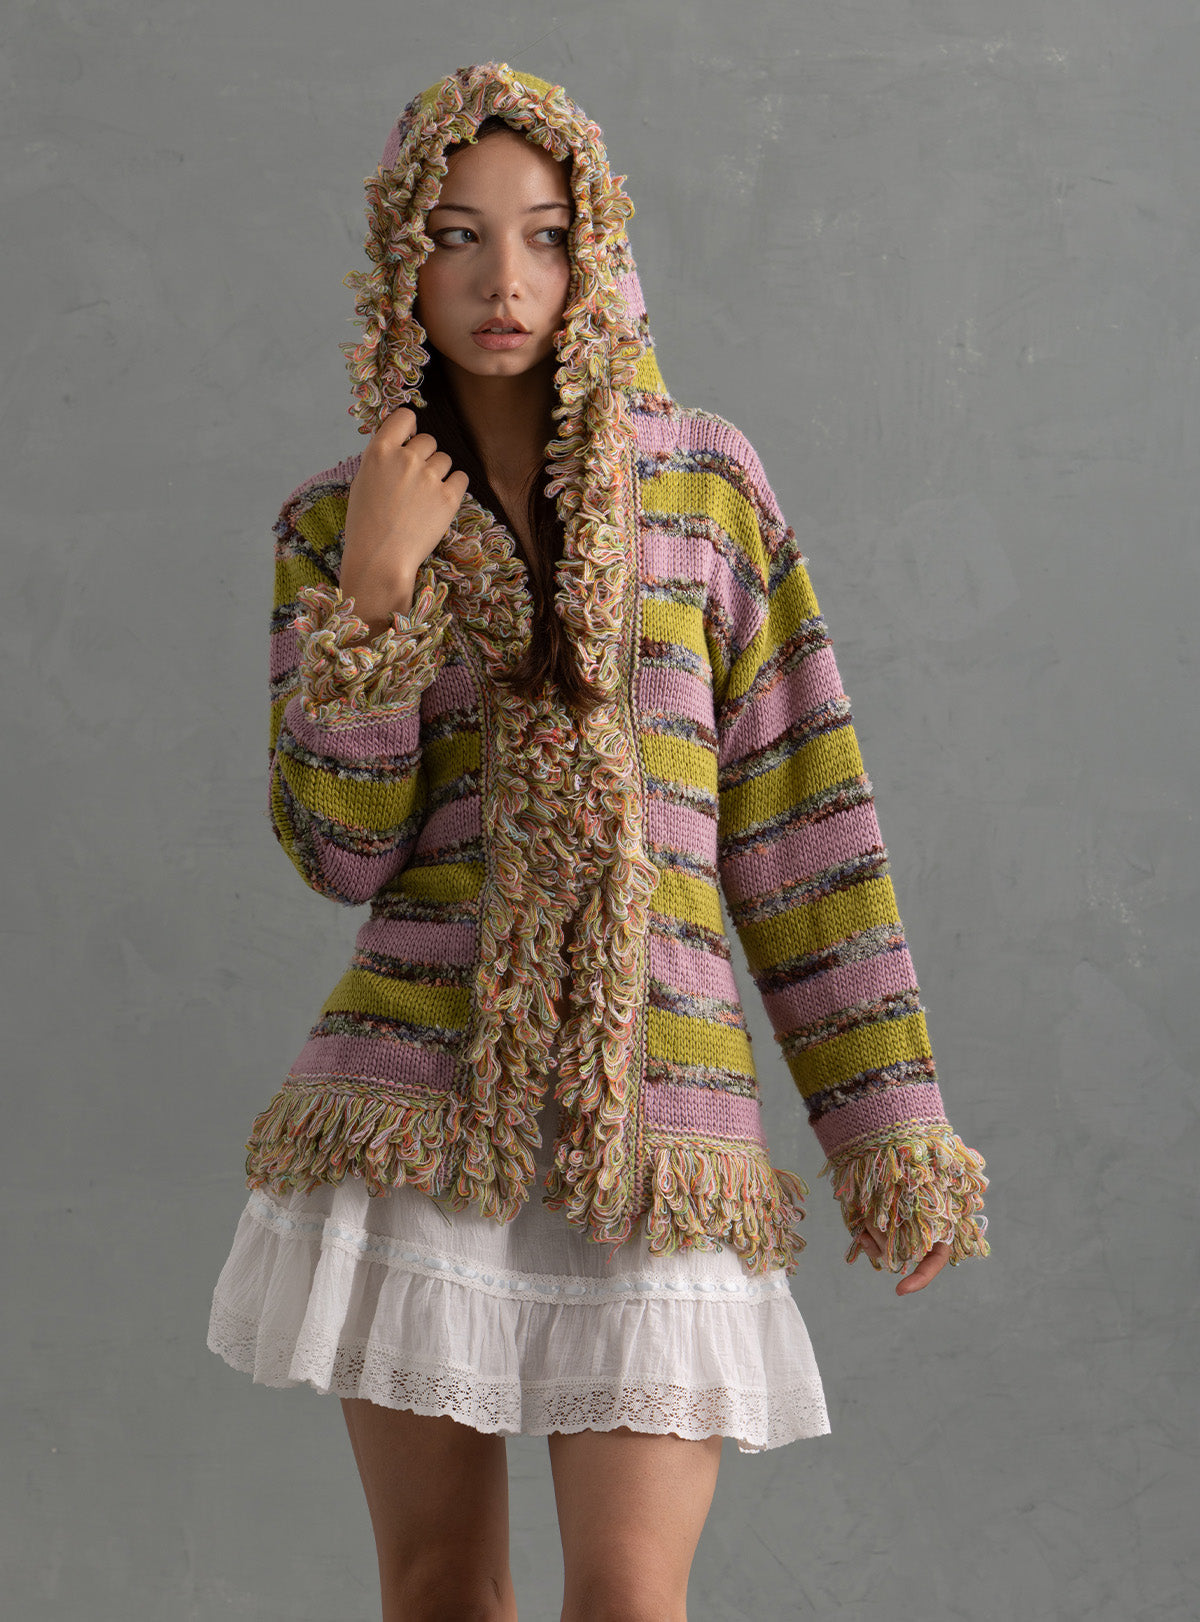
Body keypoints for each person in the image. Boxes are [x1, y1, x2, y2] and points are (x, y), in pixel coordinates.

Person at [208, 61, 989, 1622]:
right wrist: (376, 596)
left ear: (599, 250)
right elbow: (341, 853)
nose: (504, 280)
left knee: (631, 1595)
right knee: (442, 1590)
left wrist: (888, 1123)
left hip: (661, 1133)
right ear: (400, 259)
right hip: (420, 1128)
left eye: (546, 235)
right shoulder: (333, 521)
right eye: (457, 235)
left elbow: (805, 828)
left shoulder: (705, 491)